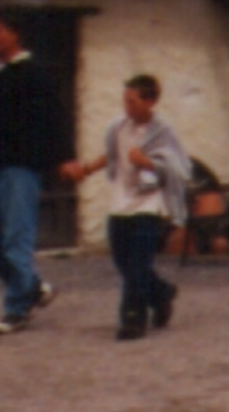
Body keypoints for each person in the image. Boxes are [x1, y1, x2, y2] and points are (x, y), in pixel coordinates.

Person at [0, 13, 73, 335]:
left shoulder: (34, 74)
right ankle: (33, 287)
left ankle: (17, 309)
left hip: (20, 168)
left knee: (15, 239)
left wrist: (65, 157)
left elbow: (56, 117)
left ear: (14, 35)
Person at [62, 72, 194, 339]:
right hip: (121, 201)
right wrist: (86, 169)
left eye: (133, 102)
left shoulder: (163, 132)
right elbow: (110, 156)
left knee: (138, 264)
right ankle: (161, 293)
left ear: (151, 101)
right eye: (126, 101)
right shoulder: (117, 128)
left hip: (149, 202)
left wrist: (149, 163)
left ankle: (133, 319)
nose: (127, 107)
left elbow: (181, 167)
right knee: (123, 261)